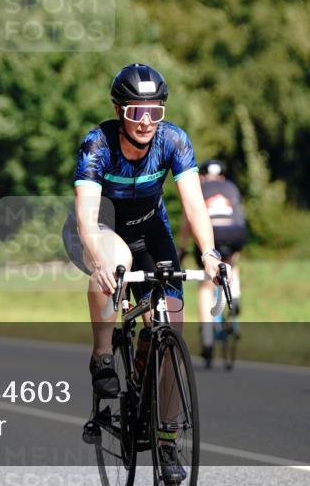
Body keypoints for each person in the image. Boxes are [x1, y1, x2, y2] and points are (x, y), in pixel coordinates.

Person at [64, 63, 226, 485]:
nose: (147, 122)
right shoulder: (97, 144)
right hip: (102, 227)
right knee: (115, 263)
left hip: (150, 229)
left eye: (155, 112)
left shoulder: (173, 140)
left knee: (171, 316)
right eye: (137, 113)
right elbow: (85, 215)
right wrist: (97, 261)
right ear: (119, 111)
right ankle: (102, 355)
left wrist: (209, 252)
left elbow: (193, 204)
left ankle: (166, 437)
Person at [179, 158, 247, 367]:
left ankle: (207, 338)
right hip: (236, 232)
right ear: (223, 176)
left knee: (206, 286)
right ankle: (234, 295)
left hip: (213, 233)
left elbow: (188, 224)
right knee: (231, 263)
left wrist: (181, 250)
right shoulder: (231, 186)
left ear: (201, 176)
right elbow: (240, 216)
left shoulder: (198, 189)